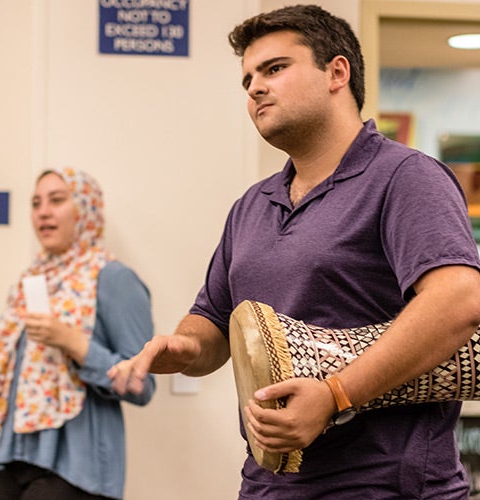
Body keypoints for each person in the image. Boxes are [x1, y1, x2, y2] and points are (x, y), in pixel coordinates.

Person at [108, 5, 480, 499]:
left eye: (274, 69)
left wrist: (334, 396)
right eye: (247, 80)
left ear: (337, 72)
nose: (255, 88)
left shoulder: (406, 178)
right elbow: (214, 322)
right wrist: (184, 348)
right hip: (268, 485)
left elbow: (458, 301)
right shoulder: (251, 205)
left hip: (388, 486)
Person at [0, 167, 155, 500]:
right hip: (8, 462)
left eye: (57, 200)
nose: (43, 211)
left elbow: (142, 385)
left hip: (74, 470)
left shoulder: (114, 279)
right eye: (35, 203)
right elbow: (24, 387)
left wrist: (75, 344)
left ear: (85, 209)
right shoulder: (28, 282)